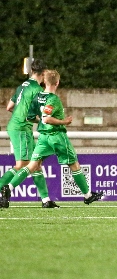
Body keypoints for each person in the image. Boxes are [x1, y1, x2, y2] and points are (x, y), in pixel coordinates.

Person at [0, 70, 104, 207]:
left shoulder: (37, 96)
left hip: (43, 138)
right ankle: (88, 195)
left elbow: (30, 116)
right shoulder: (53, 99)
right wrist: (64, 122)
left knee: (32, 166)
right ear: (57, 83)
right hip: (57, 137)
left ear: (44, 81)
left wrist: (42, 122)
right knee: (74, 165)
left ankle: (9, 188)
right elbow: (46, 118)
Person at [0, 59, 57, 208]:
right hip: (21, 129)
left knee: (36, 163)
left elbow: (9, 107)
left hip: (18, 126)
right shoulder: (37, 90)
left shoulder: (22, 86)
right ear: (43, 73)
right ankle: (4, 190)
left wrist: (23, 115)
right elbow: (40, 116)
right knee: (23, 164)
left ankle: (45, 201)